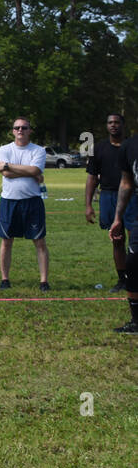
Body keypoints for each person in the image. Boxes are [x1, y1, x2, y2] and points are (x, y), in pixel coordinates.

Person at [0, 117, 49, 290]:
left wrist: (9, 166)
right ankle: (5, 279)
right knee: (6, 241)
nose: (20, 130)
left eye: (24, 128)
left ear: (30, 130)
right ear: (12, 131)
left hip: (32, 201)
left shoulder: (38, 150)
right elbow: (6, 174)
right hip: (9, 201)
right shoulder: (4, 149)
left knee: (39, 241)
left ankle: (43, 281)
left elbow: (36, 170)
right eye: (17, 128)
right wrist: (29, 172)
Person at [85, 113, 136, 292]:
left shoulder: (131, 146)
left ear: (123, 125)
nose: (113, 125)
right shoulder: (99, 148)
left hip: (132, 196)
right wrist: (88, 204)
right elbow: (92, 178)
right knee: (117, 240)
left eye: (117, 122)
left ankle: (133, 277)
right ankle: (122, 279)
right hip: (108, 196)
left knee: (134, 239)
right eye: (110, 123)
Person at [106, 134, 138, 332]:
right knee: (133, 265)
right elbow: (126, 182)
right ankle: (136, 321)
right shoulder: (130, 146)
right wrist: (118, 217)